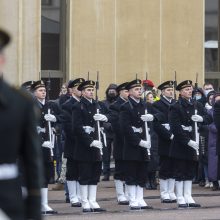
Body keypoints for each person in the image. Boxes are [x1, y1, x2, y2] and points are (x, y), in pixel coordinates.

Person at [0, 29, 43, 219]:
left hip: (7, 197)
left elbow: (32, 160)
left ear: (2, 60)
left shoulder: (20, 102)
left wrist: (33, 209)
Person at [169, 80, 212, 208]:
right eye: (186, 89)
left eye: (190, 89)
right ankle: (180, 197)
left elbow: (209, 118)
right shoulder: (176, 106)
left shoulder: (196, 104)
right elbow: (175, 128)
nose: (190, 91)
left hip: (194, 141)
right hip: (181, 143)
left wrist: (202, 119)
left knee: (189, 171)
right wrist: (188, 141)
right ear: (181, 92)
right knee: (180, 171)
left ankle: (188, 195)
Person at [119, 79, 160, 210]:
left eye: (140, 89)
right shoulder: (125, 107)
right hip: (132, 145)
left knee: (142, 172)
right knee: (132, 172)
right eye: (136, 89)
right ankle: (132, 199)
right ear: (129, 92)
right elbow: (125, 128)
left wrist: (152, 118)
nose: (139, 91)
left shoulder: (145, 105)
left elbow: (160, 115)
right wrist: (138, 141)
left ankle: (140, 198)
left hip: (145, 143)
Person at [72, 80, 107, 213]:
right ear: (82, 92)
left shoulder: (98, 105)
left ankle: (92, 200)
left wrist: (105, 118)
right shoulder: (78, 106)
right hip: (84, 146)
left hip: (97, 144)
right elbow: (77, 127)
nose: (91, 92)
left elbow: (108, 119)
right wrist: (90, 141)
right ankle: (84, 201)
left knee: (94, 174)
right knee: (85, 174)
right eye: (88, 90)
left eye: (92, 90)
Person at [31, 80, 60, 215]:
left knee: (47, 174)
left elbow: (61, 121)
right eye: (40, 90)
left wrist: (55, 122)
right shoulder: (31, 105)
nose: (43, 92)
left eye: (44, 90)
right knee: (38, 175)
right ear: (34, 92)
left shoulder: (50, 105)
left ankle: (44, 203)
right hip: (37, 144)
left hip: (50, 144)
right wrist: (41, 141)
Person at [61, 78, 85, 207]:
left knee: (82, 170)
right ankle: (73, 196)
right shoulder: (67, 105)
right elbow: (68, 126)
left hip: (85, 143)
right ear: (71, 90)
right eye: (78, 88)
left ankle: (81, 195)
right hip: (73, 142)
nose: (80, 90)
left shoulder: (85, 103)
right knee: (72, 170)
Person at [153, 81, 177, 203]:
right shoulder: (157, 104)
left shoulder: (175, 103)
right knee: (165, 166)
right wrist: (168, 135)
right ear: (162, 92)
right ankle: (164, 193)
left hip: (176, 138)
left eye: (171, 90)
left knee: (173, 166)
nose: (171, 92)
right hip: (164, 139)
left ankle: (171, 191)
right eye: (168, 90)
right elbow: (156, 124)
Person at [109, 82, 129, 205]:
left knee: (130, 168)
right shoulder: (115, 106)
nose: (128, 93)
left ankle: (128, 193)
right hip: (121, 142)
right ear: (120, 92)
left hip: (133, 142)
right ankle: (121, 194)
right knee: (120, 169)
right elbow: (116, 125)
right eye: (126, 91)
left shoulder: (132, 104)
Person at [101, 84, 118, 181]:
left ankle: (116, 172)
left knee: (116, 152)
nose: (112, 92)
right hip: (106, 132)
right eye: (110, 90)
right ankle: (106, 173)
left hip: (116, 131)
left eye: (114, 90)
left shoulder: (119, 103)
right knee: (105, 153)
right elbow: (102, 115)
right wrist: (107, 125)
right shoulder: (103, 103)